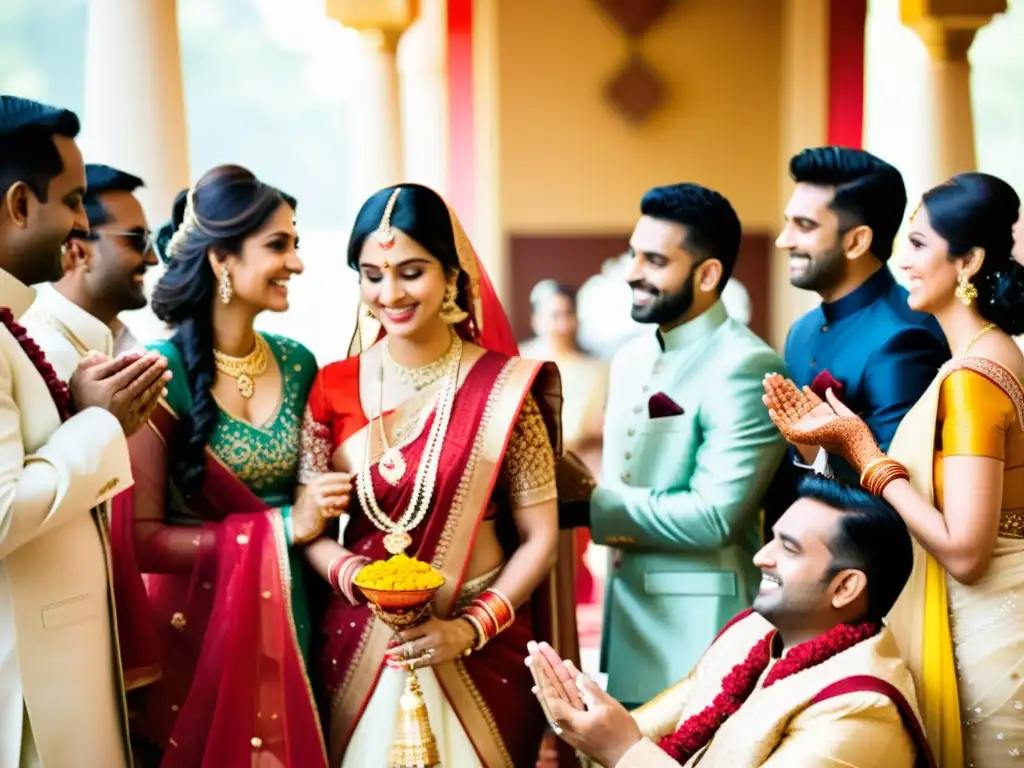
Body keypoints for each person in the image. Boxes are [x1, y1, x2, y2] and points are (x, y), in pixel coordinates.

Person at [299, 183, 571, 767]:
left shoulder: (504, 388)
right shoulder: (332, 385)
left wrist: (467, 630)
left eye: (411, 271)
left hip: (480, 644)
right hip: (361, 640)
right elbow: (311, 526)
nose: (389, 293)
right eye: (372, 274)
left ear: (452, 276)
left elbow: (542, 537)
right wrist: (355, 579)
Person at [764, 172, 1024, 767]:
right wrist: (836, 449)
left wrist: (864, 451)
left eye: (917, 244)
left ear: (969, 261)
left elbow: (965, 551)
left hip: (986, 638)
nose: (900, 260)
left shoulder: (972, 379)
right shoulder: (994, 353)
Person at [109, 165, 327, 766]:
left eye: (296, 244)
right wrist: (285, 529)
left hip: (292, 617)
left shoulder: (300, 363)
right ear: (221, 262)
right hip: (197, 639)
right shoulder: (156, 374)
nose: (298, 263)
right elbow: (142, 540)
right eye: (278, 246)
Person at [560, 183, 788, 708]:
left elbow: (715, 517)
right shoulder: (630, 360)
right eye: (635, 253)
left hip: (701, 629)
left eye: (655, 260)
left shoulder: (746, 365)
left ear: (707, 275)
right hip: (628, 612)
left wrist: (589, 504)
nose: (633, 271)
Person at [530, 477, 932, 768]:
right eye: (772, 538)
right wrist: (583, 715)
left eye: (788, 549)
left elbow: (628, 746)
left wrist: (622, 752)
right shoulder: (751, 633)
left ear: (845, 587)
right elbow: (650, 727)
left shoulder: (861, 708)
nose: (761, 557)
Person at [0, 96, 169, 766]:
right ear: (18, 204)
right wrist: (99, 421)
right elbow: (4, 508)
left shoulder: (13, 318)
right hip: (30, 693)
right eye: (71, 200)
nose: (79, 226)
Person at [772, 147, 948, 513]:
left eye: (804, 226)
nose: (783, 240)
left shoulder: (904, 337)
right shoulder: (801, 332)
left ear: (856, 241)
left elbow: (900, 492)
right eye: (788, 222)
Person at [22, 163, 156, 380]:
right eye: (138, 241)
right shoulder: (36, 353)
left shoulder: (126, 345)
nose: (153, 259)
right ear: (78, 252)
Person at [521, 280, 608, 606]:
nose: (561, 323)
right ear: (536, 319)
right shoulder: (519, 362)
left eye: (567, 314)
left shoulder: (595, 370)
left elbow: (597, 427)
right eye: (553, 314)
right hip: (526, 481)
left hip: (577, 477)